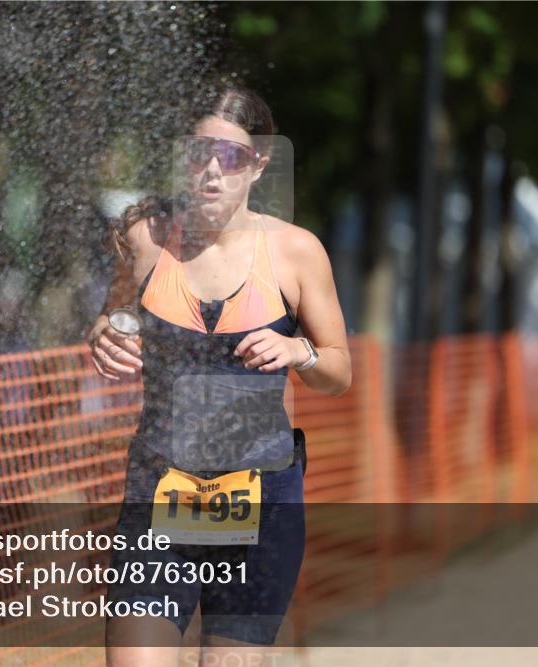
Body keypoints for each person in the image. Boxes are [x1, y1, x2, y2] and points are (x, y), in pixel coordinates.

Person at [87, 87, 351, 667]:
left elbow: (338, 370)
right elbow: (114, 314)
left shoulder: (296, 252)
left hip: (260, 499)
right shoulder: (145, 236)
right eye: (199, 153)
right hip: (160, 490)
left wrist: (297, 350)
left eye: (231, 157)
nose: (211, 170)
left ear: (258, 164)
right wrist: (104, 332)